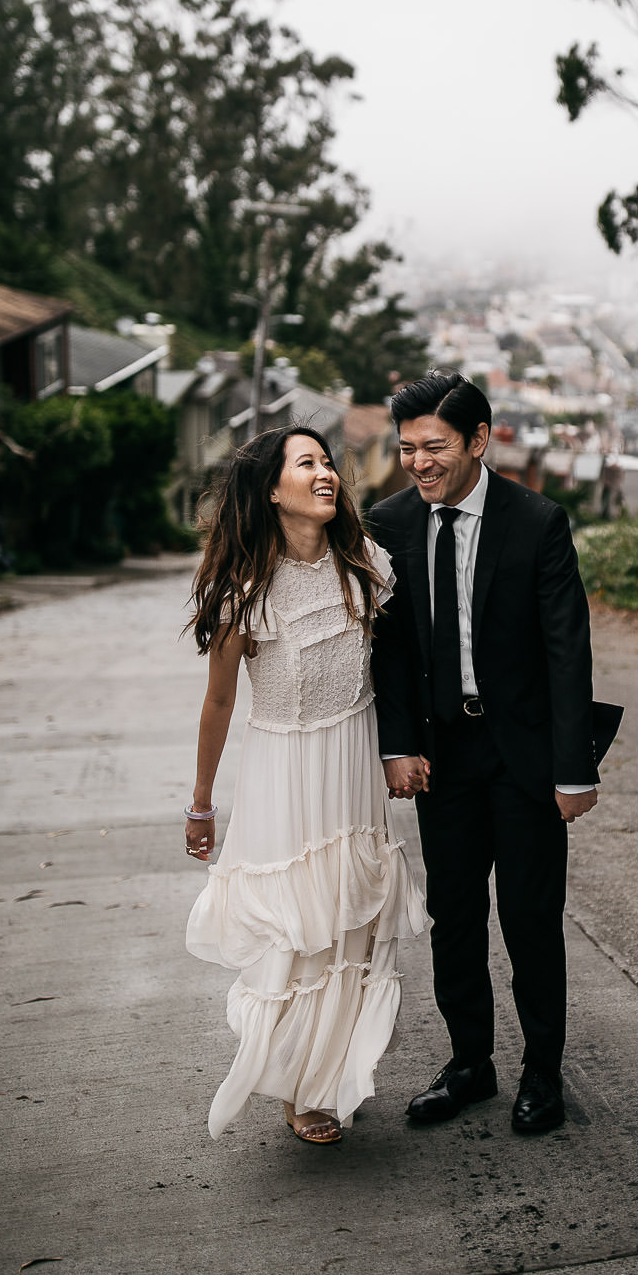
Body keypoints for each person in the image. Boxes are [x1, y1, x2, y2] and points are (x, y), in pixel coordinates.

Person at [368, 370, 599, 1138]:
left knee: (532, 916)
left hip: (523, 754)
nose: (419, 462)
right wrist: (397, 744)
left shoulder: (536, 521)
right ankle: (470, 1064)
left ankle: (542, 1071)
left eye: (434, 446)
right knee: (454, 913)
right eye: (406, 449)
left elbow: (568, 652)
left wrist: (574, 768)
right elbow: (390, 650)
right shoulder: (391, 523)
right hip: (443, 758)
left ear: (478, 440)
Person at [184, 425, 425, 1145]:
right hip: (284, 777)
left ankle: (331, 1077)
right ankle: (298, 1082)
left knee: (353, 922)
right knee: (300, 933)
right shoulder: (245, 591)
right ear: (271, 489)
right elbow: (220, 704)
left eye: (327, 462)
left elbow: (397, 668)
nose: (326, 474)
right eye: (307, 464)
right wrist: (201, 804)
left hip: (351, 767)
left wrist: (400, 750)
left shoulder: (366, 567)